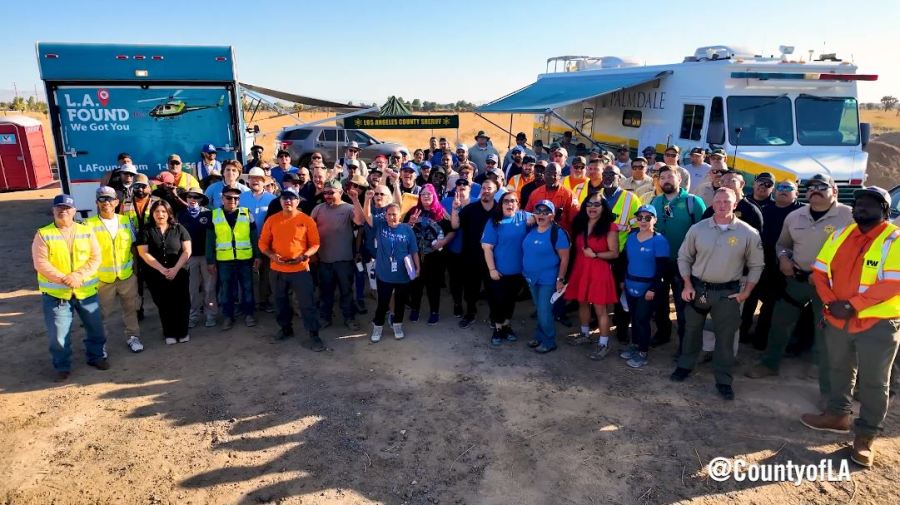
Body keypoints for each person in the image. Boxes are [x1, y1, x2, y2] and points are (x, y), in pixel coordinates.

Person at [799, 186, 900, 468]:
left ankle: (866, 437)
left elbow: (894, 282)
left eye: (870, 203)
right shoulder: (840, 235)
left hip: (877, 323)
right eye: (858, 202)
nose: (861, 207)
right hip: (838, 318)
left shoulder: (894, 239)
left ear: (884, 210)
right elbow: (820, 272)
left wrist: (853, 305)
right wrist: (832, 303)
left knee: (874, 382)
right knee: (839, 369)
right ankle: (838, 415)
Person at [746, 174, 853, 392]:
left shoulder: (848, 216)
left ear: (835, 191)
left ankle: (822, 373)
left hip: (830, 286)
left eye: (822, 186)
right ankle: (770, 363)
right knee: (780, 322)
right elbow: (783, 245)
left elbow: (858, 252)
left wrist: (828, 273)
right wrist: (784, 259)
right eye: (811, 187)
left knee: (825, 330)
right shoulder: (795, 216)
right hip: (796, 280)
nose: (815, 190)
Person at [670, 188, 764, 400]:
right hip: (698, 289)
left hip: (728, 293)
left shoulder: (748, 233)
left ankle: (723, 379)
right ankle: (685, 366)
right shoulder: (698, 229)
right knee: (691, 330)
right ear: (712, 203)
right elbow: (684, 257)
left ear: (735, 204)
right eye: (718, 201)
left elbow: (756, 265)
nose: (722, 205)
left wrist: (746, 292)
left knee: (725, 337)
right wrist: (687, 284)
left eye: (727, 201)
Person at [33, 194, 107, 380]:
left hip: (86, 292)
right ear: (53, 210)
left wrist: (78, 275)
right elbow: (41, 263)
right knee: (58, 336)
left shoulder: (86, 231)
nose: (63, 211)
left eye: (67, 208)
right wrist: (65, 279)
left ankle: (96, 356)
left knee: (96, 329)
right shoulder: (43, 234)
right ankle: (62, 366)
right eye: (59, 207)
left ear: (74, 211)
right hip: (57, 296)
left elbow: (95, 258)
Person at [258, 187, 324, 351]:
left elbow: (315, 243)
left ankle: (314, 334)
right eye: (284, 198)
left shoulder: (306, 220)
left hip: (300, 269)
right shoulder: (272, 220)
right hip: (277, 269)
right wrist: (271, 255)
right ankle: (286, 329)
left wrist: (305, 256)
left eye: (292, 198)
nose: (288, 201)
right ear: (280, 201)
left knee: (307, 303)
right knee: (280, 302)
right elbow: (263, 243)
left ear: (298, 201)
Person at [740, 179, 802, 348]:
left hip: (787, 266)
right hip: (762, 262)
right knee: (751, 299)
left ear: (796, 193)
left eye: (788, 188)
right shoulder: (765, 210)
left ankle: (763, 339)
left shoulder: (801, 212)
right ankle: (744, 333)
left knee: (774, 304)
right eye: (781, 187)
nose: (783, 190)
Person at [649, 165, 707, 349]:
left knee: (683, 305)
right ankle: (663, 333)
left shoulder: (693, 202)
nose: (666, 180)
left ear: (679, 179)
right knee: (660, 302)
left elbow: (704, 231)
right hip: (659, 262)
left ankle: (685, 344)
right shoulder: (656, 201)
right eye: (662, 177)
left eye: (670, 176)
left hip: (684, 263)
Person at [86, 187, 143, 353]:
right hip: (102, 279)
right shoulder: (88, 225)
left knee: (131, 309)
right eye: (102, 199)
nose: (106, 203)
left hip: (126, 276)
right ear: (97, 203)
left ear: (117, 202)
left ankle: (133, 337)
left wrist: (135, 273)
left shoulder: (125, 221)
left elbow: (133, 248)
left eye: (110, 199)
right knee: (100, 314)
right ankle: (100, 344)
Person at [564, 193, 619, 358]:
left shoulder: (610, 227)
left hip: (599, 270)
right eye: (589, 204)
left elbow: (614, 253)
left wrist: (595, 255)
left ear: (603, 207)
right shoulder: (581, 224)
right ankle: (585, 334)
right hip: (581, 269)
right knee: (582, 303)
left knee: (600, 309)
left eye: (596, 204)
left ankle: (603, 344)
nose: (592, 208)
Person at [363, 192, 419, 342]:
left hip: (403, 274)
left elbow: (413, 250)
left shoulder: (407, 229)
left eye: (395, 214)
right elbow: (367, 216)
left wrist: (418, 267)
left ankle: (397, 325)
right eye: (389, 214)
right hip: (384, 274)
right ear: (385, 216)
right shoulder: (380, 226)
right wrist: (367, 199)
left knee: (400, 303)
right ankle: (378, 327)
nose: (392, 217)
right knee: (383, 303)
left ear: (400, 215)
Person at [135, 199, 192, 345]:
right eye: (157, 211)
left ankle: (183, 332)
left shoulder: (179, 228)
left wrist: (175, 269)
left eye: (163, 211)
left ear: (169, 213)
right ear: (152, 213)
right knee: (164, 304)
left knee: (181, 303)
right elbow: (143, 252)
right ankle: (169, 333)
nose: (160, 214)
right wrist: (162, 269)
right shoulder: (146, 230)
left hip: (179, 273)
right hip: (156, 275)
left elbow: (187, 250)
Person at [619, 206, 670, 368]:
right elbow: (626, 261)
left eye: (648, 218)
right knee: (634, 317)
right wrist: (623, 280)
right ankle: (635, 345)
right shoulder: (631, 237)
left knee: (642, 319)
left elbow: (662, 268)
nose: (643, 221)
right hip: (630, 283)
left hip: (647, 286)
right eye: (640, 217)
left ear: (655, 220)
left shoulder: (659, 241)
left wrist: (653, 288)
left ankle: (642, 352)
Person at [481, 191, 534, 346]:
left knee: (511, 300)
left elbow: (544, 215)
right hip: (499, 272)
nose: (509, 204)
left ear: (518, 204)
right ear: (501, 204)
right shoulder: (494, 221)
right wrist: (492, 269)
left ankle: (506, 325)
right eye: (506, 201)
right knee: (498, 301)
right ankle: (498, 328)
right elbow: (487, 248)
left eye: (513, 201)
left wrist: (536, 218)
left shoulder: (524, 217)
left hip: (518, 272)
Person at [312, 179, 365, 330]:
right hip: (324, 260)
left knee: (346, 292)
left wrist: (355, 200)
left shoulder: (348, 208)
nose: (327, 196)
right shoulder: (318, 209)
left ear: (340, 192)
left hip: (344, 260)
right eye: (325, 193)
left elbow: (360, 221)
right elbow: (308, 229)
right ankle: (325, 318)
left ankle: (349, 318)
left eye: (331, 192)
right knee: (325, 292)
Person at [207, 185, 259, 330]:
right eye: (229, 198)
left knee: (247, 288)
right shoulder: (214, 215)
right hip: (224, 261)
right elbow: (210, 240)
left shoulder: (246, 213)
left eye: (236, 198)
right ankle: (228, 316)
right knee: (226, 290)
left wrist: (257, 256)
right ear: (222, 199)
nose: (233, 201)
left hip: (245, 259)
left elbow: (254, 236)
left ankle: (249, 314)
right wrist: (210, 261)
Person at [521, 200, 570, 353]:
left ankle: (549, 341)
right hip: (531, 278)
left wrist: (560, 279)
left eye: (545, 212)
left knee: (544, 311)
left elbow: (564, 259)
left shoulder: (558, 233)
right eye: (538, 211)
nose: (541, 215)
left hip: (548, 280)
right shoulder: (531, 229)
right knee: (539, 309)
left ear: (552, 215)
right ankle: (539, 336)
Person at [405, 184, 455, 325]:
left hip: (435, 257)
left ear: (434, 196)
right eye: (423, 194)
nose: (426, 196)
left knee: (433, 285)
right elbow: (404, 230)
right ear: (419, 196)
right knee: (415, 284)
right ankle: (415, 309)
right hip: (415, 255)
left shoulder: (441, 212)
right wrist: (410, 223)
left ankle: (434, 311)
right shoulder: (413, 211)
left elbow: (452, 231)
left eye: (429, 193)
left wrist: (443, 241)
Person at [452, 179, 498, 328]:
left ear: (496, 191)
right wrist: (455, 209)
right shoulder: (470, 209)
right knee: (470, 288)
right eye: (483, 188)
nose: (485, 191)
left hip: (493, 258)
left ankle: (494, 316)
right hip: (471, 256)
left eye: (489, 188)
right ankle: (470, 313)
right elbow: (455, 225)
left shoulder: (499, 210)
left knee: (493, 288)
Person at [176, 187, 217, 329]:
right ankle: (193, 316)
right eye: (190, 196)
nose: (192, 199)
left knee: (209, 287)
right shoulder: (181, 215)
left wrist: (212, 257)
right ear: (186, 198)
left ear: (201, 199)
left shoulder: (209, 213)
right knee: (191, 289)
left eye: (196, 197)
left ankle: (210, 314)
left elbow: (214, 236)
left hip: (207, 256)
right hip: (189, 257)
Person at [240, 167, 276, 313]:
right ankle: (248, 302)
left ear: (264, 181)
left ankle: (263, 301)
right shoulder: (241, 198)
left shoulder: (272, 199)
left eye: (259, 179)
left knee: (266, 274)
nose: (255, 181)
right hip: (245, 242)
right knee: (247, 273)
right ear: (248, 180)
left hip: (266, 242)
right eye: (252, 178)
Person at [524, 162, 579, 232]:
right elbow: (527, 216)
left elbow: (575, 221)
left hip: (560, 234)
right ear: (544, 174)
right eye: (548, 173)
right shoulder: (535, 194)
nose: (551, 176)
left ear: (560, 176)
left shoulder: (569, 195)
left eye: (555, 174)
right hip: (538, 234)